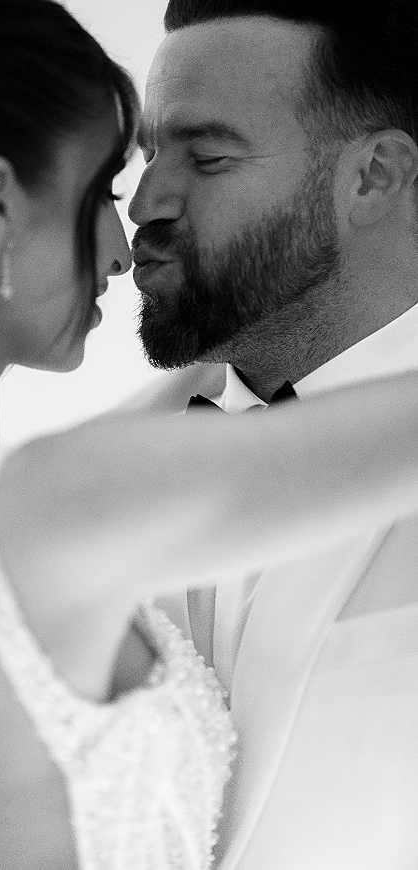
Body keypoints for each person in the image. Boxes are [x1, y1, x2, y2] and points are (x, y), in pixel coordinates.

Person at [0, 1, 418, 869]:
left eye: (207, 157)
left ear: (374, 177)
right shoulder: (64, 495)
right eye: (107, 186)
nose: (132, 228)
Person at [128, 1, 418, 868]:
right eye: (147, 155)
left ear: (373, 177)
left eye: (207, 158)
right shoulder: (96, 466)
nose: (145, 204)